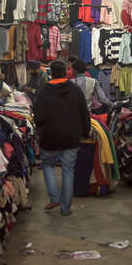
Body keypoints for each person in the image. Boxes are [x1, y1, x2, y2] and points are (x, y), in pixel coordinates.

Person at [33, 60, 90, 216]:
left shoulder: (44, 91)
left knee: (48, 165)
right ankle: (65, 208)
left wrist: (41, 130)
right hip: (72, 136)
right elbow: (84, 113)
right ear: (66, 71)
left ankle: (54, 197)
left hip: (50, 136)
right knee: (68, 171)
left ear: (51, 72)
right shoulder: (75, 90)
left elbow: (38, 117)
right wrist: (86, 132)